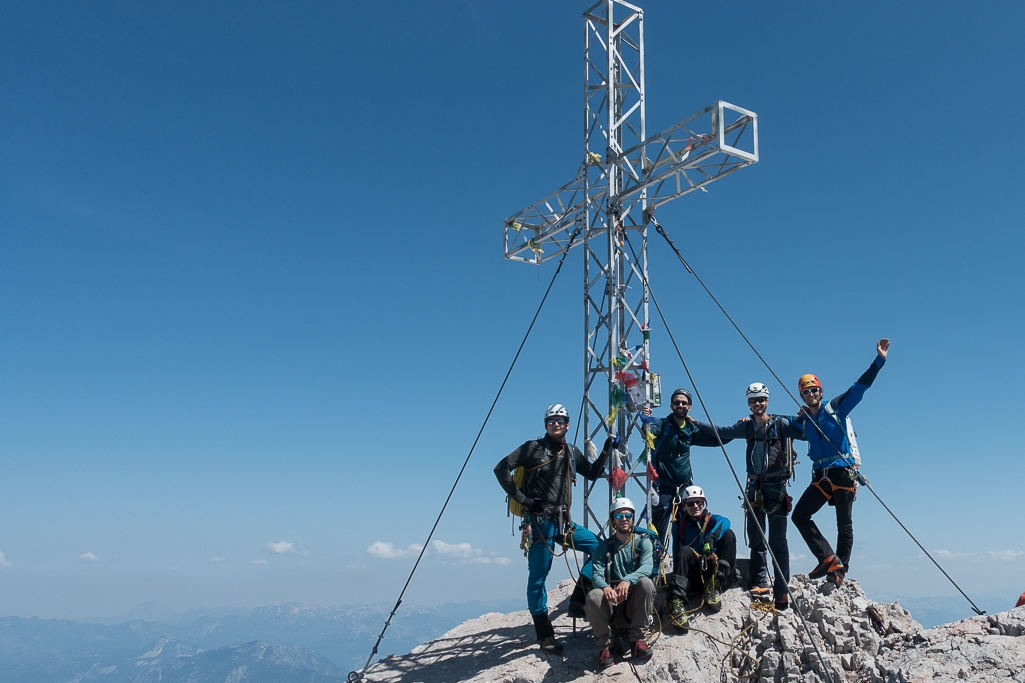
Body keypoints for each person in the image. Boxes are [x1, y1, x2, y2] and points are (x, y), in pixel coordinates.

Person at [494, 403, 612, 655]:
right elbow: (501, 468)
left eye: (561, 420)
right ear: (546, 425)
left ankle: (578, 599)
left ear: (567, 424)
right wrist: (525, 501)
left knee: (601, 548)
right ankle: (545, 634)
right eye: (552, 421)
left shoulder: (570, 451)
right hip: (539, 522)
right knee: (538, 578)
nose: (556, 424)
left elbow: (591, 473)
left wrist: (605, 451)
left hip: (563, 521)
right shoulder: (532, 448)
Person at [696, 383, 806, 610]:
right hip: (755, 487)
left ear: (767, 401)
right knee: (757, 539)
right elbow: (721, 431)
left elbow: (805, 432)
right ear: (748, 403)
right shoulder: (745, 427)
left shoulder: (780, 424)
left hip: (775, 487)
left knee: (777, 542)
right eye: (754, 400)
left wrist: (807, 417)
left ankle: (781, 591)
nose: (758, 403)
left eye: (761, 399)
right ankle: (760, 582)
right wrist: (695, 422)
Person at [790, 338, 889, 586]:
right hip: (820, 475)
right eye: (806, 392)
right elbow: (777, 424)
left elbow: (860, 387)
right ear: (802, 396)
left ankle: (840, 569)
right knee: (800, 515)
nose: (811, 394)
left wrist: (879, 361)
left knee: (844, 523)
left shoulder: (835, 408)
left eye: (814, 390)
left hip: (843, 472)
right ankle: (828, 558)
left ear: (820, 392)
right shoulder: (803, 422)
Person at [641, 389, 731, 547]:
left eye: (684, 403)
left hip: (685, 487)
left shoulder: (691, 429)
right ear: (671, 406)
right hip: (663, 487)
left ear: (689, 407)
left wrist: (698, 423)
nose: (680, 405)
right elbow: (647, 434)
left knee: (687, 529)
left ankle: (685, 567)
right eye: (677, 402)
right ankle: (656, 568)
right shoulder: (662, 425)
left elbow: (719, 439)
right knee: (657, 533)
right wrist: (646, 420)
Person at [585, 497, 655, 669]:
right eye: (619, 516)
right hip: (612, 606)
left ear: (633, 517)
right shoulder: (604, 547)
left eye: (628, 515)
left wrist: (627, 581)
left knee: (646, 584)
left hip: (632, 607)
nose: (624, 519)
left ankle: (637, 640)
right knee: (594, 595)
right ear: (613, 520)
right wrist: (605, 587)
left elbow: (647, 567)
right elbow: (596, 575)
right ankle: (605, 647)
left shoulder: (642, 542)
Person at [666, 485, 736, 628]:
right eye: (691, 503)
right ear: (684, 506)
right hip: (695, 575)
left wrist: (711, 538)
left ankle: (716, 585)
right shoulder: (679, 526)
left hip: (714, 572)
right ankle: (677, 602)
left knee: (729, 535)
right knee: (685, 550)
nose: (696, 506)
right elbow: (677, 552)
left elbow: (726, 522)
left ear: (704, 503)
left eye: (699, 502)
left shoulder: (711, 520)